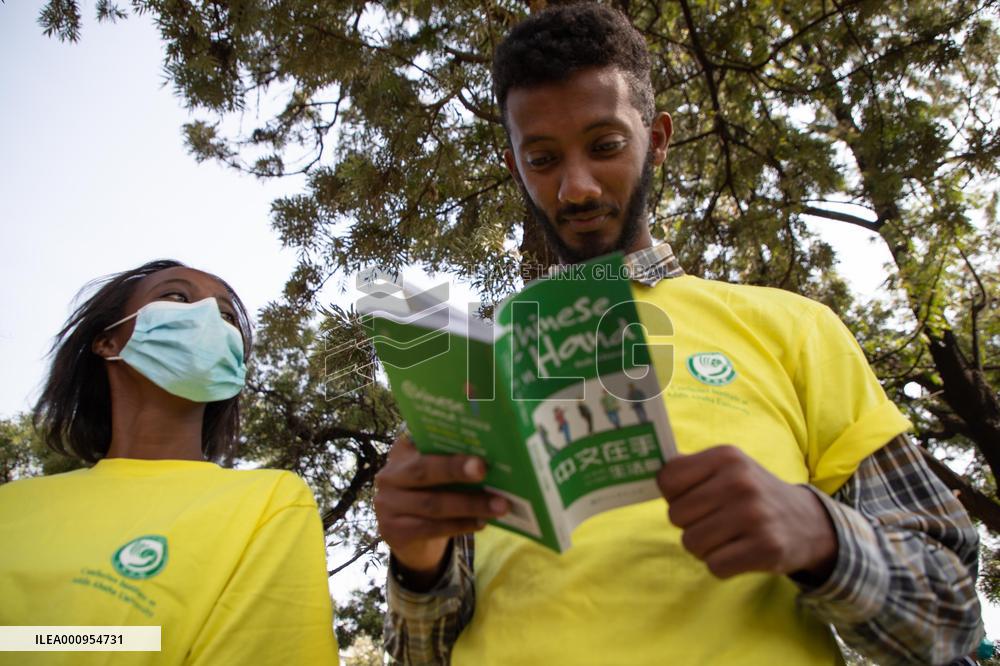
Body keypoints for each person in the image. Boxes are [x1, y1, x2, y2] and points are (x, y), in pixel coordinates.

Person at [373, 4, 982, 665]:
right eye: (542, 158)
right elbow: (419, 656)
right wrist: (417, 560)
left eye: (605, 146)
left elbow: (949, 614)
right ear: (516, 165)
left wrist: (823, 536)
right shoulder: (480, 366)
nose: (575, 188)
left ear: (657, 138)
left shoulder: (789, 326)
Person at [0, 260, 339, 665]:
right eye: (176, 297)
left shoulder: (269, 502)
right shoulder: (13, 505)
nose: (210, 319)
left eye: (227, 315)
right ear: (108, 341)